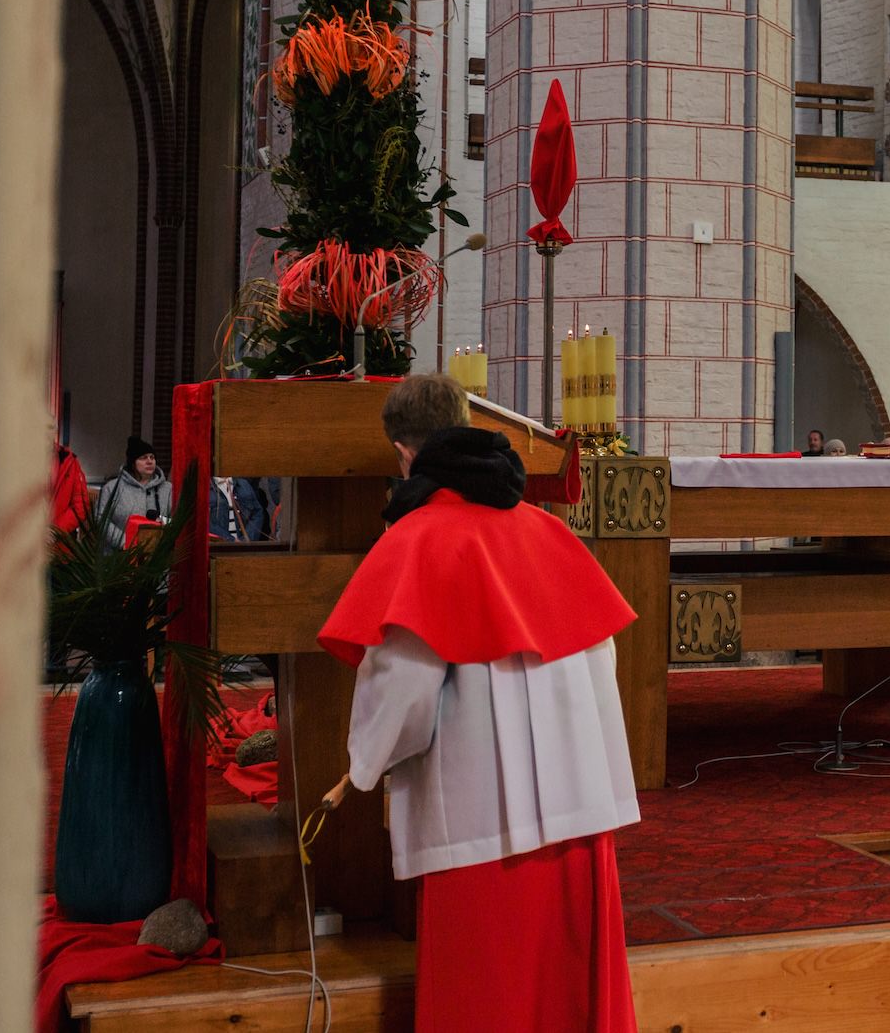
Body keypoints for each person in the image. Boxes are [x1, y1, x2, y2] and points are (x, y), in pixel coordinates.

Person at [316, 373, 640, 1033]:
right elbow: (600, 655)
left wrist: (363, 765)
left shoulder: (420, 540)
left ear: (404, 453)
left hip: (481, 827)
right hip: (581, 814)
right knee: (569, 995)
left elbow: (403, 689)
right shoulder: (547, 531)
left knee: (488, 998)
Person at [96, 435, 173, 548]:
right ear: (133, 463)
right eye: (143, 458)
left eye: (152, 457)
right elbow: (101, 519)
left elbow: (177, 519)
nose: (149, 461)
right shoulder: (112, 488)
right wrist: (125, 542)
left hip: (159, 552)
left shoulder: (168, 489)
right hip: (120, 553)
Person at [49, 423, 89, 534]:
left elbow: (80, 506)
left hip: (60, 538)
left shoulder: (70, 462)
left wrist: (55, 531)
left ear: (55, 431)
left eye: (49, 427)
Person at [210, 476, 275, 543]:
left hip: (243, 545)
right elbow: (205, 521)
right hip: (217, 545)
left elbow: (257, 513)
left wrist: (247, 538)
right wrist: (229, 539)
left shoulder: (244, 485)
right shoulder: (206, 488)